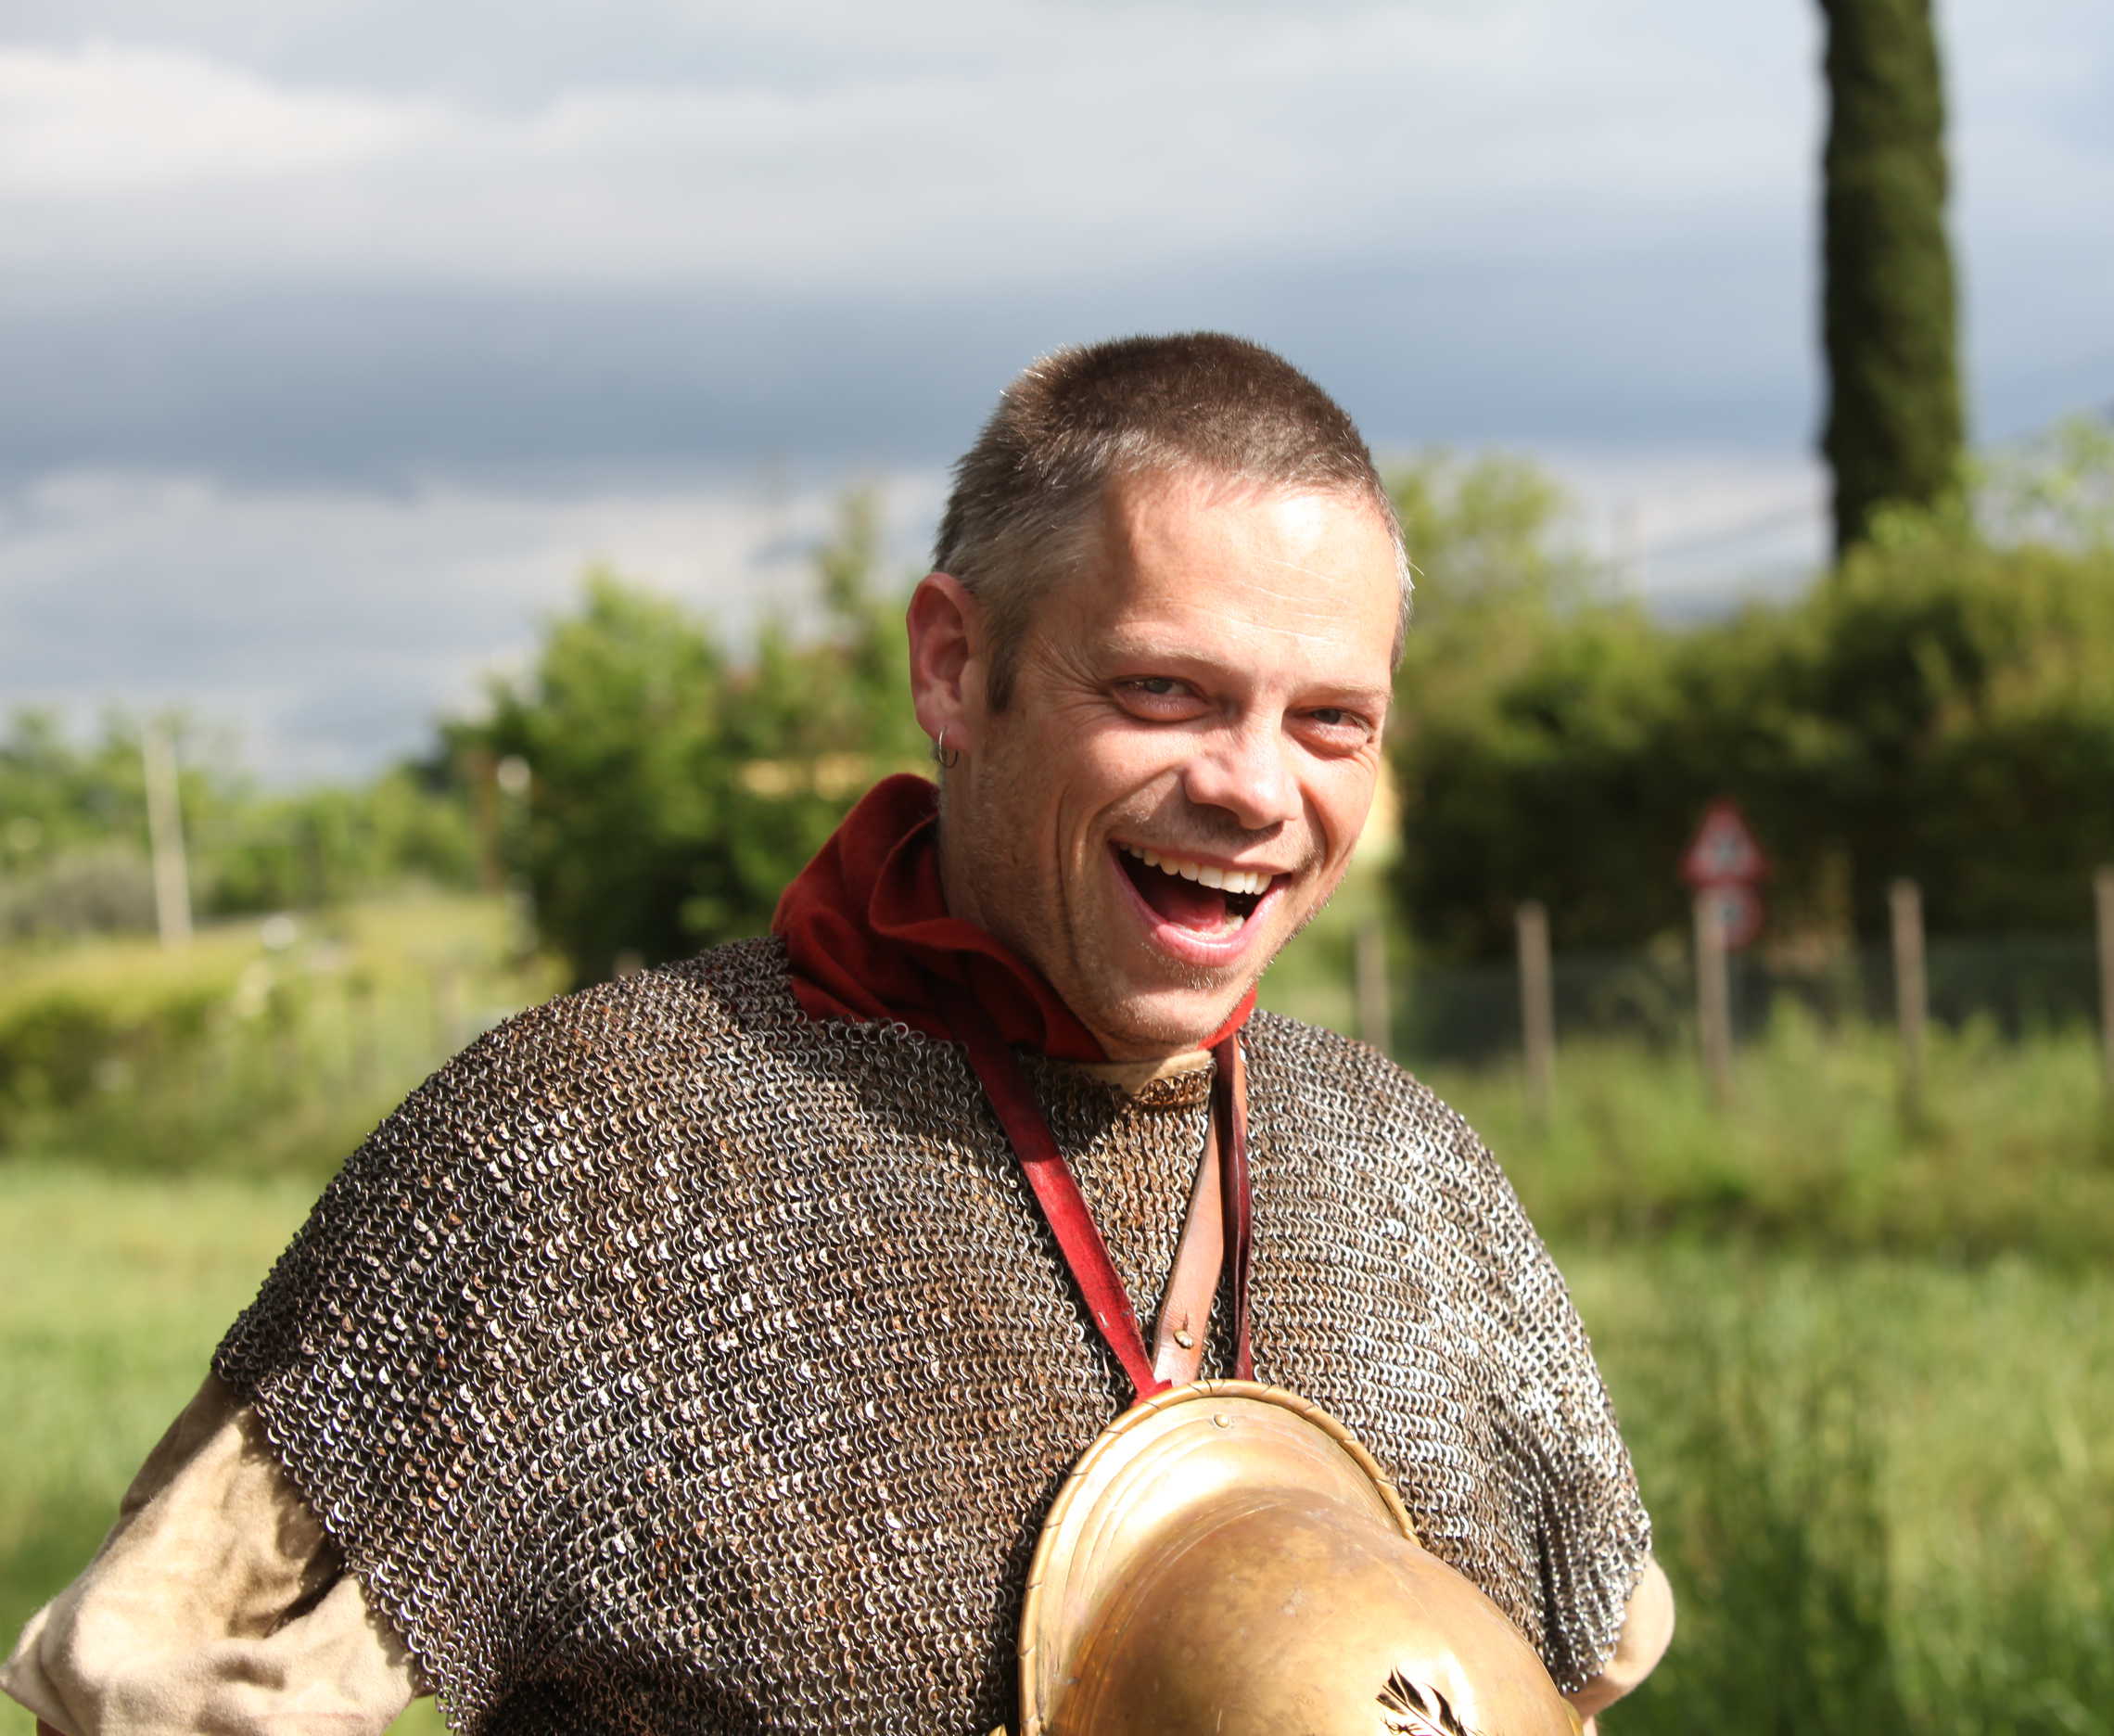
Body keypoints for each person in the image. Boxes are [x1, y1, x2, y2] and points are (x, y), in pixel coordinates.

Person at [4, 333, 1673, 1736]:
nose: (1254, 787)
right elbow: (150, 1684)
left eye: (1331, 721)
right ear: (954, 666)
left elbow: (1573, 1671)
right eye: (1164, 691)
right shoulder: (594, 1150)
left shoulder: (1410, 1180)